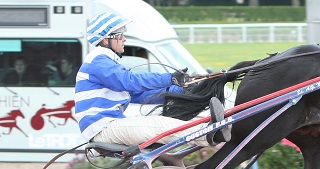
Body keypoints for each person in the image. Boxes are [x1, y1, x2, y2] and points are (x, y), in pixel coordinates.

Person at [74, 12, 230, 148]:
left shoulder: (106, 63)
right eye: (120, 35)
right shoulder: (98, 62)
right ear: (106, 40)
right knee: (159, 124)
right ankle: (210, 134)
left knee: (163, 122)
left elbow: (142, 95)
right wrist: (171, 78)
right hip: (102, 128)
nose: (124, 39)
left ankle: (208, 130)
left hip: (107, 125)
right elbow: (130, 81)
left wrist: (183, 90)